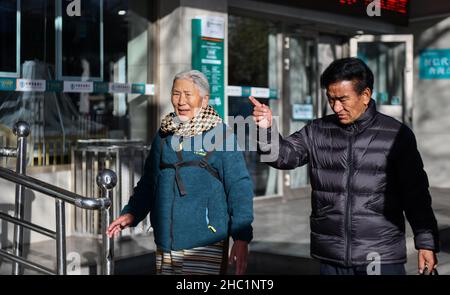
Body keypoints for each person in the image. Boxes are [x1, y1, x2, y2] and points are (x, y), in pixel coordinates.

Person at [250, 57, 440, 275]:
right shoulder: (317, 131)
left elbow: (415, 193)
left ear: (365, 95)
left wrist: (426, 242)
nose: (336, 107)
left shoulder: (396, 134)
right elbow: (282, 158)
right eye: (331, 99)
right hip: (332, 256)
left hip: (379, 255)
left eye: (343, 99)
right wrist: (265, 129)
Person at [107, 70, 254, 275]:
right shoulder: (165, 133)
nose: (181, 101)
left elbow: (239, 186)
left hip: (205, 242)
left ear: (204, 100)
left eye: (187, 94)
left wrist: (241, 236)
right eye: (176, 93)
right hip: (166, 243)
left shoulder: (221, 135)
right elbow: (150, 181)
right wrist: (133, 211)